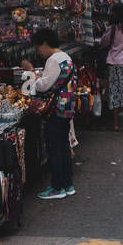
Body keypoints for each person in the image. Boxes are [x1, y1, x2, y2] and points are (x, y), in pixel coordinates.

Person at [21, 29, 78, 201]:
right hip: (66, 108)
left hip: (56, 110)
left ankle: (57, 187)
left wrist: (31, 72)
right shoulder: (65, 57)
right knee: (63, 147)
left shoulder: (54, 60)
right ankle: (67, 184)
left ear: (44, 43)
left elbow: (43, 86)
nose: (39, 53)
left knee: (55, 148)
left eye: (38, 49)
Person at [100, 3, 123, 132]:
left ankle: (115, 124)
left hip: (115, 64)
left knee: (115, 94)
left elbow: (103, 42)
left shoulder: (113, 29)